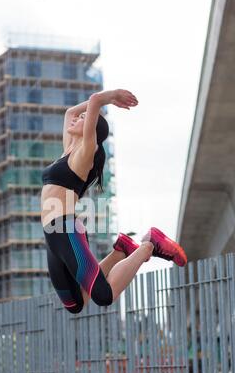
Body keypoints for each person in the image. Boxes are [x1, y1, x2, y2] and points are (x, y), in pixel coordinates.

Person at [40, 89, 187, 314]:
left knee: (104, 295)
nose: (77, 118)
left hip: (65, 229)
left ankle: (150, 245)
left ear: (91, 131)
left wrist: (111, 97)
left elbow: (95, 101)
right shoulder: (68, 149)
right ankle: (121, 250)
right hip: (52, 234)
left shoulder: (85, 152)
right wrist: (86, 111)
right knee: (75, 304)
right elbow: (70, 111)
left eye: (83, 118)